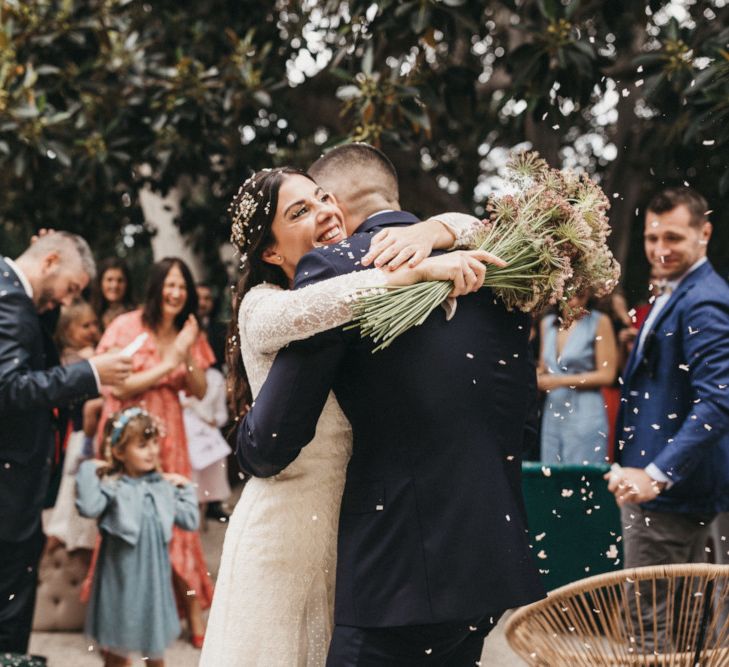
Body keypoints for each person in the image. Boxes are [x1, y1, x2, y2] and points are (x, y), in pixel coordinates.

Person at [234, 145, 545, 665]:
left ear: (341, 202)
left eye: (320, 199)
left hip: (396, 571)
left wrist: (242, 444)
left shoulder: (334, 265)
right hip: (489, 556)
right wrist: (440, 230)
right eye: (302, 210)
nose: (323, 217)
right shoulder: (501, 263)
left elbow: (271, 442)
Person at [606, 186, 729, 645]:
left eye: (674, 238)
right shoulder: (674, 290)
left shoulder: (704, 300)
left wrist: (656, 474)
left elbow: (719, 401)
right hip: (662, 489)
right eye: (652, 238)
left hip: (672, 496)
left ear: (705, 232)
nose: (660, 250)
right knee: (684, 630)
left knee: (652, 631)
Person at [0, 232, 132, 655]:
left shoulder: (19, 297)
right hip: (8, 486)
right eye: (70, 288)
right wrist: (92, 373)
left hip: (17, 483)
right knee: (9, 610)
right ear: (50, 260)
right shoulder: (9, 298)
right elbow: (11, 387)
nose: (66, 300)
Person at [90, 257, 215, 646]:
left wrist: (188, 353)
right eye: (170, 284)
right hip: (127, 434)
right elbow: (119, 388)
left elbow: (198, 390)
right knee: (129, 521)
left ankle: (193, 613)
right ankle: (124, 618)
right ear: (156, 286)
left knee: (176, 521)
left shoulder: (187, 331)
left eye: (182, 286)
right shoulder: (127, 326)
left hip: (169, 436)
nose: (176, 293)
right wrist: (172, 359)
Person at [76, 407, 199, 667]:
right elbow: (88, 507)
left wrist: (185, 487)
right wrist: (89, 468)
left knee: (154, 654)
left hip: (153, 585)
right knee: (117, 653)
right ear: (120, 452)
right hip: (119, 583)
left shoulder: (162, 487)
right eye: (142, 445)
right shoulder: (112, 486)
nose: (153, 451)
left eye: (154, 442)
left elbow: (190, 520)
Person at [44, 298, 102, 553]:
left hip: (88, 434)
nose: (92, 330)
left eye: (94, 324)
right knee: (72, 496)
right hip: (82, 437)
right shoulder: (74, 360)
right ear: (68, 332)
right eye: (84, 326)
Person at [538, 290, 618, 465]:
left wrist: (559, 381)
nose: (574, 299)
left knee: (582, 477)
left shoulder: (599, 322)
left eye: (580, 293)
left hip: (586, 409)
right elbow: (544, 367)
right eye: (569, 293)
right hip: (554, 410)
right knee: (551, 475)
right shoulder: (547, 324)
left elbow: (607, 375)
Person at [179, 366, 231, 521]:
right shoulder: (177, 372)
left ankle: (214, 504)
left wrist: (214, 421)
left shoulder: (215, 377)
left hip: (208, 432)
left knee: (215, 459)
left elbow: (222, 414)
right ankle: (189, 508)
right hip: (183, 432)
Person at [90, 258, 135, 331]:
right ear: (100, 283)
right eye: (109, 280)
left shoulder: (135, 315)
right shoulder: (90, 314)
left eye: (120, 280)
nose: (114, 285)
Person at [196, 283, 226, 369]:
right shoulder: (179, 326)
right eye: (198, 298)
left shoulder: (222, 331)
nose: (201, 303)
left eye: (207, 298)